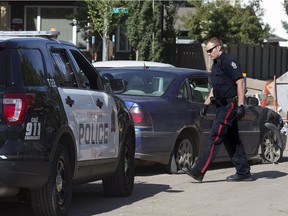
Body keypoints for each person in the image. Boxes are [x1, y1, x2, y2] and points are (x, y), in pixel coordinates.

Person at [183, 37, 252, 182]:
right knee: (231, 140)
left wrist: (240, 105)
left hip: (229, 106)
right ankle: (243, 172)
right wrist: (206, 104)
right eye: (206, 51)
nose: (208, 53)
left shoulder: (229, 61)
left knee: (215, 137)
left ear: (219, 47)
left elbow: (240, 83)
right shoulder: (215, 65)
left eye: (210, 50)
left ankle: (198, 171)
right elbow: (216, 87)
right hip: (221, 106)